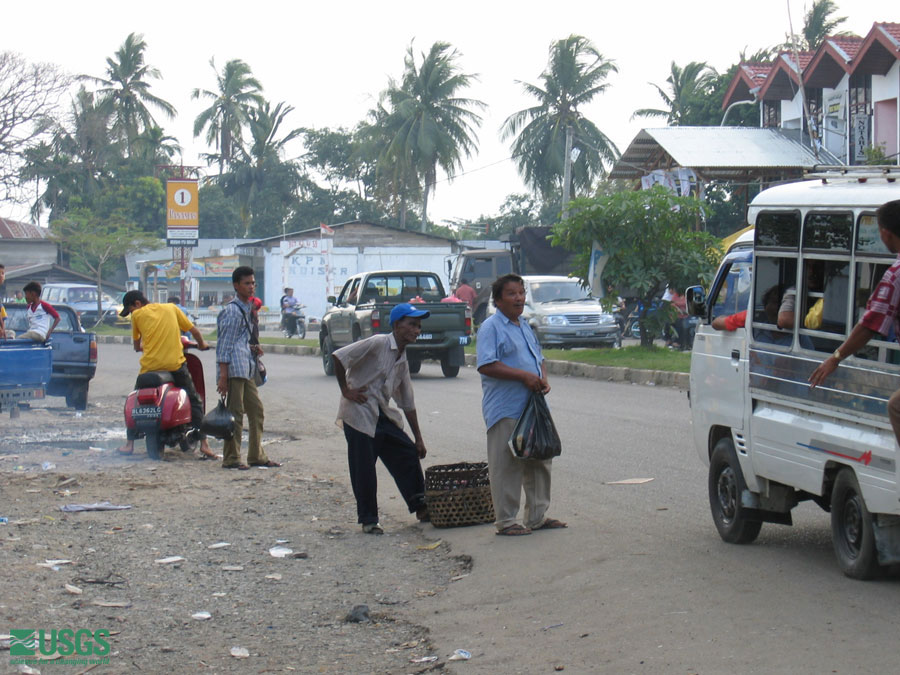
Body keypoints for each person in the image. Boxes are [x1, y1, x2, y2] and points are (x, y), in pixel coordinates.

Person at [476, 273, 567, 536]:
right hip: (506, 407)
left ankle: (537, 516)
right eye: (511, 294)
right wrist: (524, 377)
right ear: (498, 300)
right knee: (507, 464)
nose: (518, 298)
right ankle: (506, 521)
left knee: (539, 457)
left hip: (533, 407)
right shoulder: (491, 327)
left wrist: (542, 378)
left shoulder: (524, 325)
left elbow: (539, 358)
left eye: (521, 293)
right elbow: (487, 364)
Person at [332, 302, 431, 534]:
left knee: (407, 452)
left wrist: (418, 438)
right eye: (412, 325)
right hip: (358, 413)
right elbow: (339, 357)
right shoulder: (378, 343)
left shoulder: (402, 358)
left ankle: (421, 506)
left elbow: (407, 402)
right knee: (364, 468)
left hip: (381, 413)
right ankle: (369, 520)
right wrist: (346, 390)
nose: (416, 330)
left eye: (418, 326)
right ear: (396, 325)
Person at [810, 200, 900, 445]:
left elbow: (870, 324)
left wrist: (835, 358)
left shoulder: (895, 275)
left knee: (895, 406)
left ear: (885, 233)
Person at [116, 290, 218, 459]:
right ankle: (204, 444)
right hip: (175, 366)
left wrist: (148, 345)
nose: (132, 314)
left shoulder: (137, 316)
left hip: (149, 368)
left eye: (131, 310)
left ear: (137, 304)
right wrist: (201, 344)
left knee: (135, 400)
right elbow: (194, 332)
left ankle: (129, 444)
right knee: (195, 400)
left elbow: (136, 346)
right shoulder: (172, 308)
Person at [216, 267, 280, 470]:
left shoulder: (247, 308)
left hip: (247, 367)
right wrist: (223, 377)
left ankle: (256, 455)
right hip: (234, 369)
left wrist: (253, 347)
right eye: (247, 283)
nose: (251, 287)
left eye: (253, 283)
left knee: (256, 411)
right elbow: (224, 345)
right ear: (236, 286)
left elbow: (239, 340)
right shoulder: (232, 311)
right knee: (235, 414)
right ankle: (231, 458)